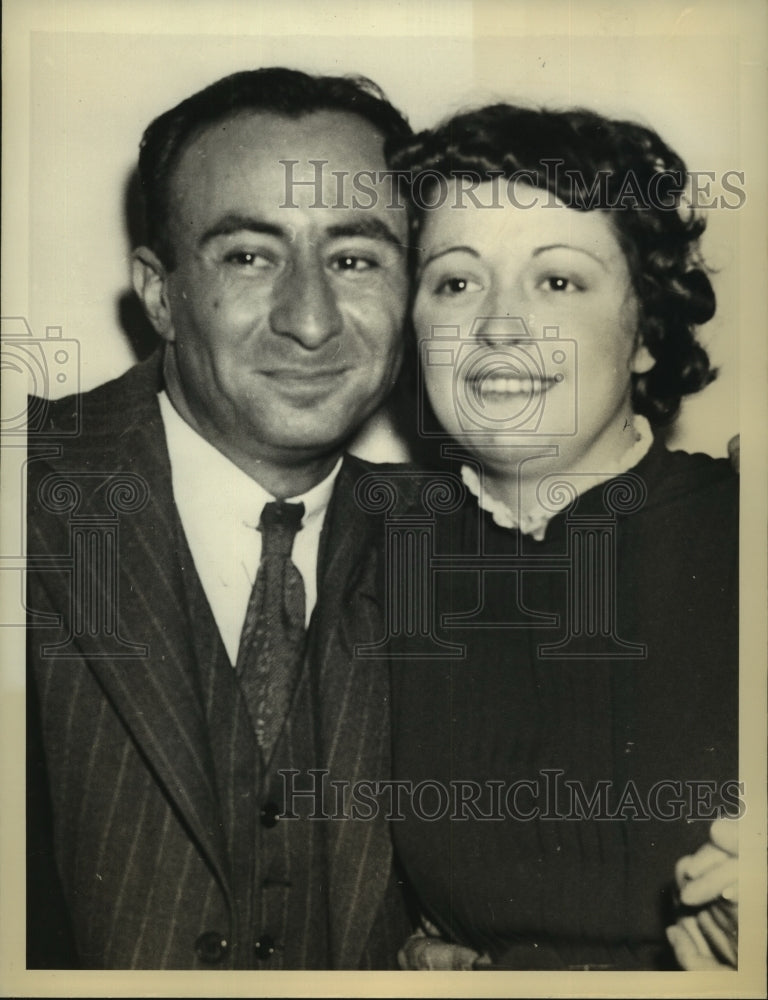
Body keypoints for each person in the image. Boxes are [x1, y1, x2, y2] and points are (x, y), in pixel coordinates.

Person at [25, 67, 418, 970]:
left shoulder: (455, 544)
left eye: (354, 258)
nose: (312, 321)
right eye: (250, 255)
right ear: (159, 294)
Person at [383, 104, 739, 970]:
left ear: (648, 329)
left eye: (558, 282)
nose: (500, 327)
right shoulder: (370, 550)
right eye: (456, 282)